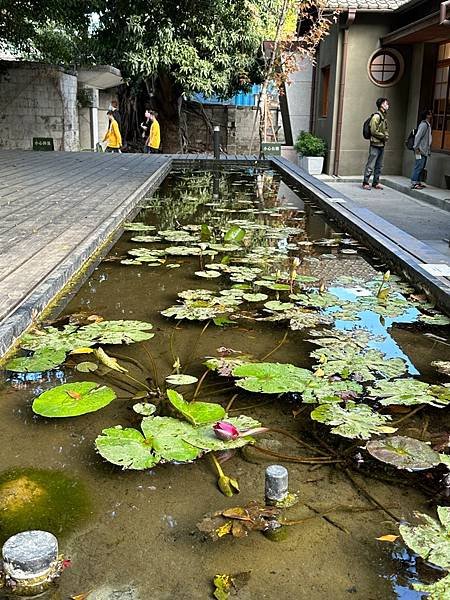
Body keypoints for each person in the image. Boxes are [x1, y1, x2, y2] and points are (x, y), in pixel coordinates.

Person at [362, 97, 390, 190]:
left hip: (381, 144)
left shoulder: (383, 116)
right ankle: (365, 182)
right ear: (381, 105)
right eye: (386, 104)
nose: (388, 105)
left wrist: (385, 136)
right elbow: (373, 131)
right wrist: (384, 136)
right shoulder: (377, 116)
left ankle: (375, 182)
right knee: (371, 164)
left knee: (379, 165)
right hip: (375, 144)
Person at [411, 109, 433, 190]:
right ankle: (414, 182)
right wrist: (416, 147)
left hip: (423, 150)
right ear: (427, 115)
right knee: (418, 166)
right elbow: (418, 136)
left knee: (422, 166)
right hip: (419, 150)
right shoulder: (424, 125)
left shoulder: (427, 125)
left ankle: (418, 182)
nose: (431, 115)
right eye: (430, 113)